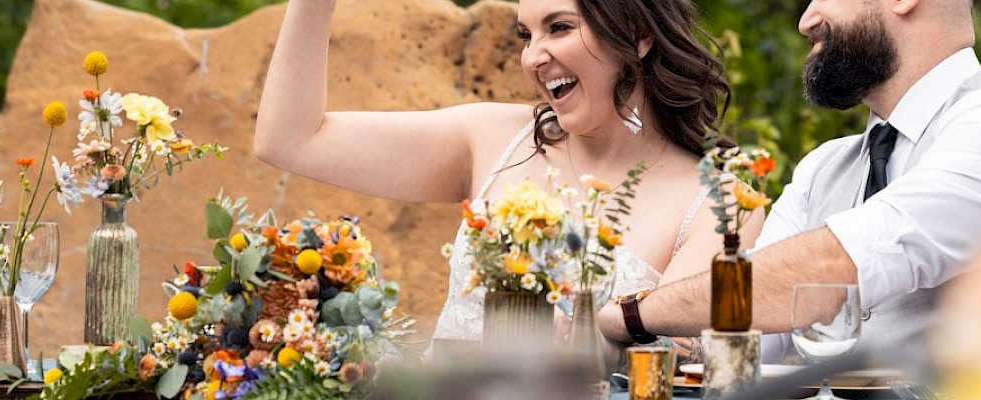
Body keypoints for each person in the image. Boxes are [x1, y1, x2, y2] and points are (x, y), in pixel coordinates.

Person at [597, 0, 981, 361]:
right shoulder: (825, 169)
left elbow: (830, 269)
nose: (805, 20)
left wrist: (633, 315)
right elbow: (742, 324)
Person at [254, 0, 760, 344]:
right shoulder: (493, 138)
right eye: (526, 34)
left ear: (638, 33)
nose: (532, 57)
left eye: (558, 27)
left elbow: (690, 367)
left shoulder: (722, 205)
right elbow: (290, 140)